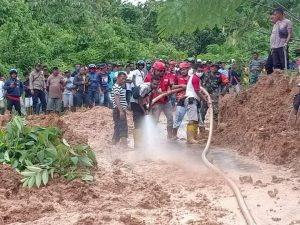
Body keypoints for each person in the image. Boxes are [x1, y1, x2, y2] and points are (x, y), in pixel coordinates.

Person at [145, 61, 174, 139]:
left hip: (166, 101)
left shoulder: (166, 77)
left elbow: (168, 87)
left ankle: (169, 135)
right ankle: (151, 137)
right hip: (156, 103)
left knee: (170, 118)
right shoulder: (148, 77)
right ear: (154, 70)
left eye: (163, 71)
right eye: (159, 71)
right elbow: (146, 91)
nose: (161, 72)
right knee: (155, 120)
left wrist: (168, 91)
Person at [130, 76, 161, 148]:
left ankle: (142, 140)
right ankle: (137, 144)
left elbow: (150, 97)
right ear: (151, 82)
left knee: (143, 119)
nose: (155, 86)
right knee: (138, 121)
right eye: (154, 84)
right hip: (135, 103)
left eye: (157, 84)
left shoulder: (153, 88)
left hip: (142, 103)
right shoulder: (145, 87)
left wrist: (149, 108)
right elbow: (140, 100)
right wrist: (144, 111)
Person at [201, 64, 228, 129]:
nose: (214, 68)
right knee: (202, 111)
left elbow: (226, 83)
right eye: (212, 67)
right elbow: (199, 81)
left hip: (214, 95)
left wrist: (222, 93)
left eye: (215, 67)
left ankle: (214, 127)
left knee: (215, 111)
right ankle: (201, 127)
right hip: (205, 94)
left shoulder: (220, 75)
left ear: (217, 68)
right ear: (210, 67)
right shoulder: (205, 74)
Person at [185, 64, 207, 144]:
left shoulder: (197, 78)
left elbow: (199, 91)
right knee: (192, 119)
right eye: (199, 71)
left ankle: (194, 138)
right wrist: (205, 99)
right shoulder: (195, 78)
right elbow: (197, 91)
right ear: (195, 71)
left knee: (196, 119)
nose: (200, 72)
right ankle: (190, 139)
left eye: (201, 71)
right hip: (191, 99)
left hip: (195, 100)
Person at [172, 62, 190, 139]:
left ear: (188, 69)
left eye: (184, 69)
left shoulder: (191, 78)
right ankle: (174, 135)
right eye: (182, 70)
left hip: (190, 100)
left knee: (192, 118)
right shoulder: (177, 78)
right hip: (180, 100)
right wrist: (180, 86)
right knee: (178, 117)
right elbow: (172, 87)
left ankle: (191, 137)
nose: (183, 71)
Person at [111, 72, 128, 145]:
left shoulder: (117, 86)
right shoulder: (117, 87)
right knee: (123, 126)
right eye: (122, 79)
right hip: (119, 109)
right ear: (117, 78)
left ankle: (114, 141)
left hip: (118, 109)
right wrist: (121, 111)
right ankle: (124, 144)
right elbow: (116, 99)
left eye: (125, 79)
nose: (124, 80)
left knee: (118, 126)